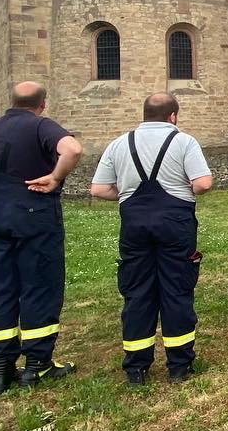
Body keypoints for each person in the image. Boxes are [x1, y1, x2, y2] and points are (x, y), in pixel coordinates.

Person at [0, 81, 83, 394]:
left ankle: (1, 368)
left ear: (11, 102)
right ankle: (37, 364)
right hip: (36, 218)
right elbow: (72, 149)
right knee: (39, 286)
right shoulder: (40, 127)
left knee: (4, 289)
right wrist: (55, 176)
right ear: (42, 104)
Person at [90, 93, 213, 385]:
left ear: (145, 115)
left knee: (137, 292)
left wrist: (125, 195)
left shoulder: (120, 143)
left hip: (134, 226)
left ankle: (136, 368)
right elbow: (203, 183)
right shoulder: (183, 142)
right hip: (175, 225)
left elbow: (97, 189)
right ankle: (179, 365)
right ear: (173, 116)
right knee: (176, 289)